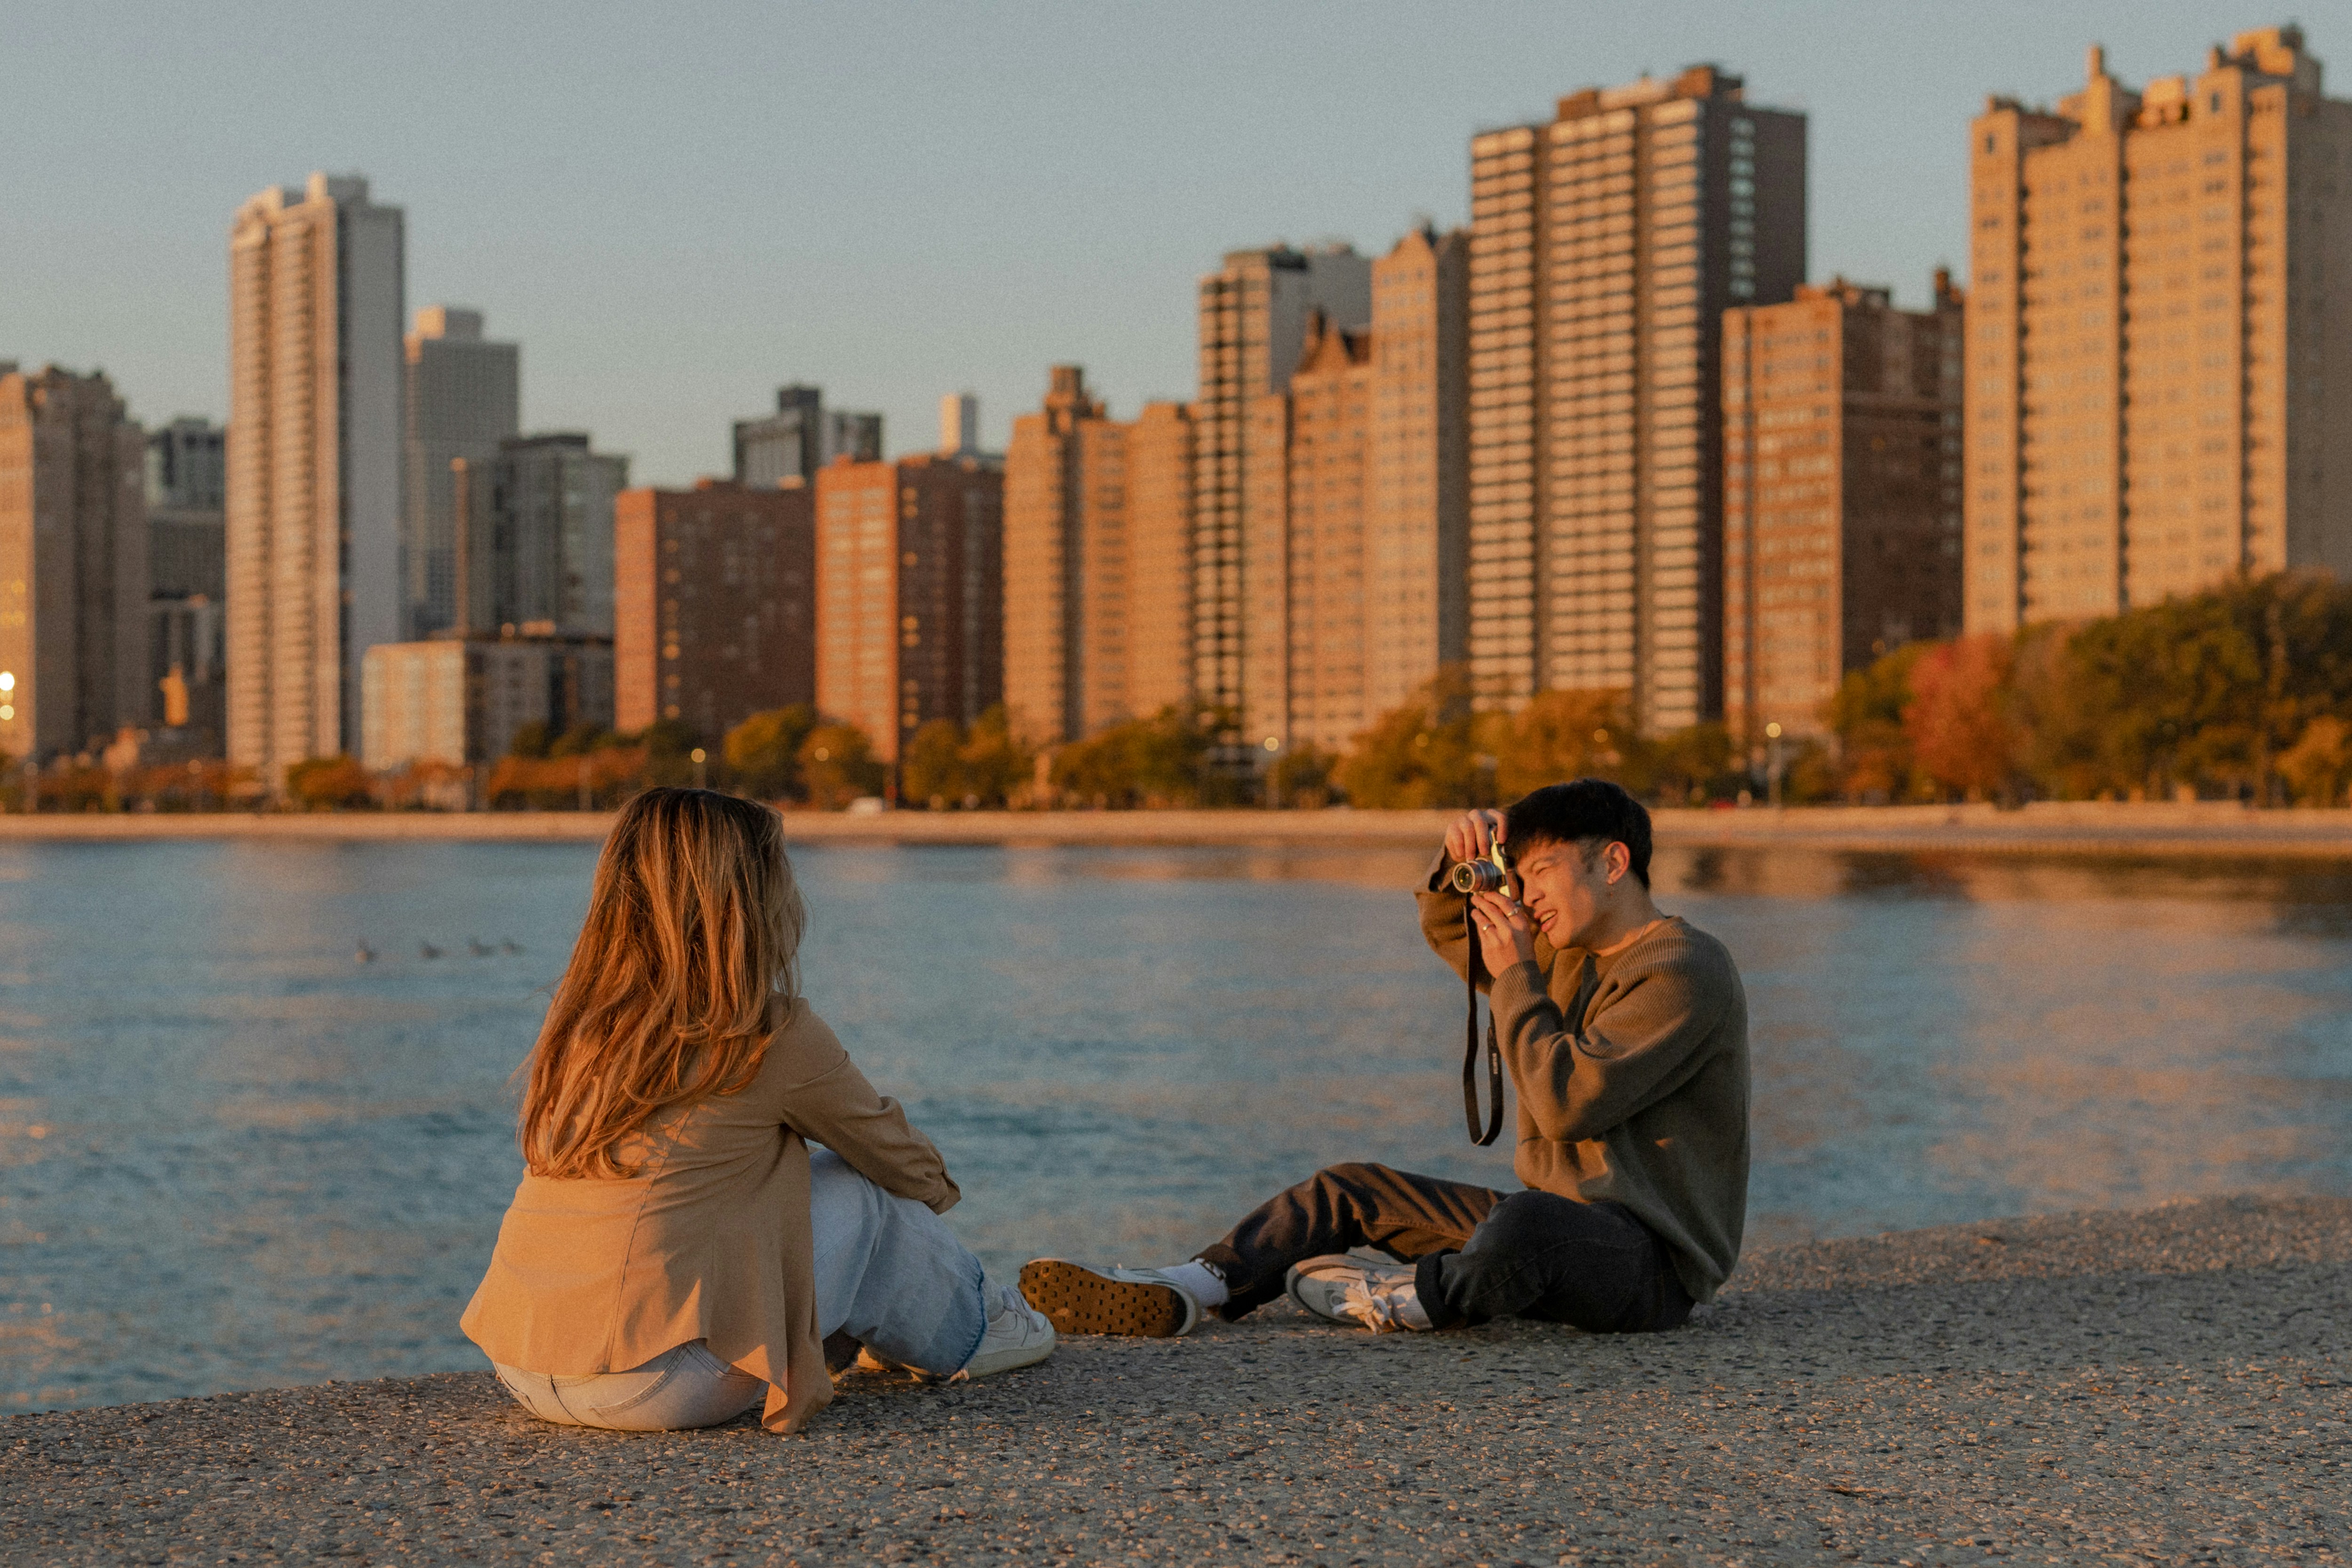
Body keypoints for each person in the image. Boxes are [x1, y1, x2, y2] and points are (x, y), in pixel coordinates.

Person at [1021, 778, 1748, 1340]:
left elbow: (1567, 1101)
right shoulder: (1566, 952)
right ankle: (1195, 1283)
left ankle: (1392, 1297)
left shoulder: (1684, 968)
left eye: (1543, 872)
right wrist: (1457, 866)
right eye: (1518, 878)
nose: (1526, 898)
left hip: (1646, 1266)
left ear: (1613, 861)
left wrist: (1519, 971)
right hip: (1556, 1223)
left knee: (1526, 1226)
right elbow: (1452, 934)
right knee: (1350, 1188)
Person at [461, 788, 1053, 1435]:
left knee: (738, 1192)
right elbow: (912, 1175)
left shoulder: (580, 1021)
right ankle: (987, 1323)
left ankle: (897, 1318)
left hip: (521, 1363)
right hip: (655, 1384)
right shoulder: (769, 1030)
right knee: (858, 1188)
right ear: (753, 897)